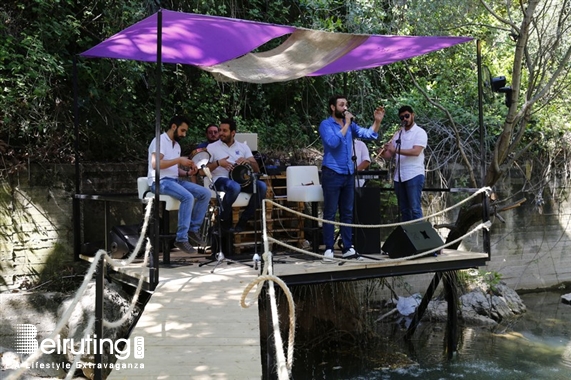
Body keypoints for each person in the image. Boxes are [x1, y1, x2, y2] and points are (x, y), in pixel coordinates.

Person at [319, 95, 385, 261]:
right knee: (330, 212)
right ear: (333, 107)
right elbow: (333, 142)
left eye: (346, 104)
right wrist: (347, 124)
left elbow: (368, 135)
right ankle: (328, 249)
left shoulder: (351, 125)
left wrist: (377, 122)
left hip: (348, 173)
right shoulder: (326, 124)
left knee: (347, 213)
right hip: (332, 172)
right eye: (341, 105)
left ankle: (348, 247)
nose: (345, 107)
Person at [147, 115, 212, 254]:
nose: (184, 134)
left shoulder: (176, 145)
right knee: (187, 197)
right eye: (182, 130)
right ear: (174, 127)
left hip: (174, 180)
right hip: (159, 181)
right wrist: (179, 160)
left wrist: (188, 173)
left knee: (205, 193)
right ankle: (181, 238)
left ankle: (193, 229)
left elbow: (173, 169)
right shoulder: (159, 141)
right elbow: (155, 164)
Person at [205, 118, 267, 232]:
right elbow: (204, 169)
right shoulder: (211, 147)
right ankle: (222, 220)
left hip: (241, 180)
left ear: (233, 133)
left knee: (262, 187)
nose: (221, 133)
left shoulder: (243, 147)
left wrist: (248, 161)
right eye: (220, 130)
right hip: (220, 180)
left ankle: (243, 220)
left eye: (225, 130)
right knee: (234, 187)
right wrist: (218, 163)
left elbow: (256, 169)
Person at [379, 105, 427, 222]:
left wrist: (394, 150)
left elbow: (416, 151)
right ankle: (407, 237)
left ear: (412, 115)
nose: (404, 119)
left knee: (414, 209)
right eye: (402, 117)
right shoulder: (398, 134)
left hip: (414, 174)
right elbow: (388, 156)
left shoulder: (420, 132)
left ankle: (419, 238)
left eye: (407, 116)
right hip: (399, 176)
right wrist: (383, 151)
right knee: (404, 210)